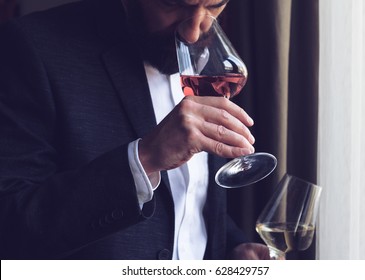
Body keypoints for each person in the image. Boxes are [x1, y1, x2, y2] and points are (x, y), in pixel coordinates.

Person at [0, 0, 269, 260]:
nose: (192, 32)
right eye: (173, 3)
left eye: (214, 6)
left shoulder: (208, 60)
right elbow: (11, 224)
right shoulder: (30, 47)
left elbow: (189, 196)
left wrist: (232, 248)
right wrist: (144, 159)